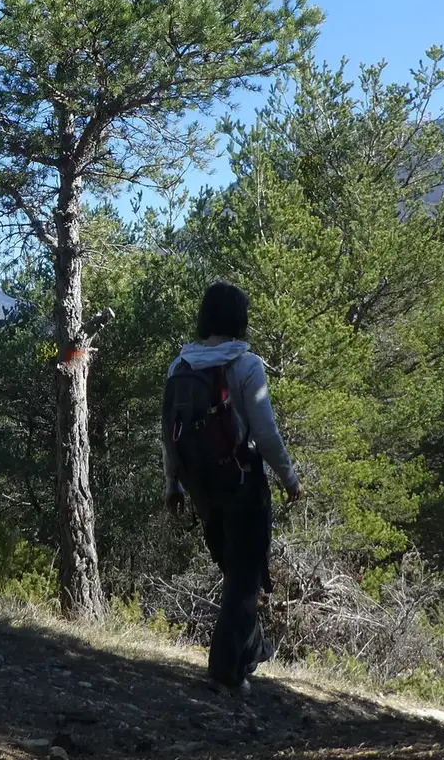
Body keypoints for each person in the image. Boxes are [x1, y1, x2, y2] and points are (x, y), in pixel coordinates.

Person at [162, 280, 302, 693]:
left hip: (204, 488)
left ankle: (250, 655)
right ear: (240, 320)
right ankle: (225, 673)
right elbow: (267, 432)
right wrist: (289, 478)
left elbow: (168, 433)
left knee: (236, 574)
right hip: (243, 484)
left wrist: (173, 484)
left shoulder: (180, 366)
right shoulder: (246, 365)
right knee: (244, 579)